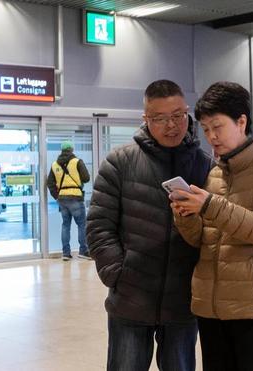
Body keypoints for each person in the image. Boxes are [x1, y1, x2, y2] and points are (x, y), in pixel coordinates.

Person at [87, 80, 212, 371]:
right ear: (145, 119)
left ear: (188, 113)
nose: (172, 125)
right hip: (131, 299)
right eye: (160, 118)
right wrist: (118, 273)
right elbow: (98, 225)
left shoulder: (205, 167)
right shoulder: (119, 163)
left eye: (178, 115)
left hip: (183, 303)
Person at [170, 81, 253, 371]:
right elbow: (202, 239)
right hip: (212, 308)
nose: (211, 137)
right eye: (205, 129)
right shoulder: (214, 174)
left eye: (217, 127)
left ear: (241, 122)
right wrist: (186, 215)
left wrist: (209, 205)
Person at [47, 140, 91, 261]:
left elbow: (49, 183)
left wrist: (57, 196)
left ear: (62, 150)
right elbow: (86, 178)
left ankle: (66, 253)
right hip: (75, 197)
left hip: (62, 198)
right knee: (82, 224)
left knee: (65, 225)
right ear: (71, 149)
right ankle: (83, 251)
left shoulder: (55, 164)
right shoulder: (77, 162)